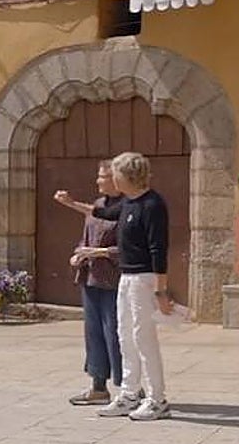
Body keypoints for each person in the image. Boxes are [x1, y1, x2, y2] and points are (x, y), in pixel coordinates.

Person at [55, 151, 173, 421]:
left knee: (144, 340)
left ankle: (157, 399)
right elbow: (101, 212)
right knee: (125, 337)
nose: (111, 177)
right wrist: (71, 203)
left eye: (115, 172)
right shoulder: (128, 203)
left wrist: (161, 291)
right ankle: (129, 394)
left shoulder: (152, 204)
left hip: (145, 279)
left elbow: (159, 250)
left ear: (128, 175)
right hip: (127, 278)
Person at [57, 161, 125, 406]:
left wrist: (101, 253)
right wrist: (79, 253)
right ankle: (98, 386)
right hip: (91, 279)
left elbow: (129, 249)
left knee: (116, 334)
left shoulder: (127, 208)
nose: (98, 181)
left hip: (115, 282)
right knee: (94, 334)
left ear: (117, 179)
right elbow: (85, 238)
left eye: (103, 176)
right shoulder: (98, 206)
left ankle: (127, 389)